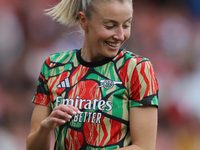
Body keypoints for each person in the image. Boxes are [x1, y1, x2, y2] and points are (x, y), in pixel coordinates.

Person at [26, 0, 159, 150]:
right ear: (83, 21)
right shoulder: (54, 66)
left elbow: (144, 147)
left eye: (127, 25)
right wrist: (46, 127)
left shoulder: (137, 69)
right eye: (110, 26)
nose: (121, 35)